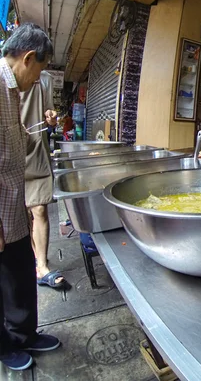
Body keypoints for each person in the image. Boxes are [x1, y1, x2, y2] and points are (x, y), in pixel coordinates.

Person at [0, 23, 61, 371]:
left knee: (21, 274)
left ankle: (24, 334)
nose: (38, 79)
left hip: (13, 203)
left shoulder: (13, 92)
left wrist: (43, 128)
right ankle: (4, 346)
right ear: (27, 58)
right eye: (39, 69)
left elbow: (16, 140)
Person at [20, 71, 64, 288]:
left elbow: (50, 120)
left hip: (37, 149)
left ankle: (42, 264)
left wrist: (52, 120)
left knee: (39, 209)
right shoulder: (4, 75)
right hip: (10, 151)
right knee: (24, 212)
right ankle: (34, 256)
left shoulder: (44, 78)